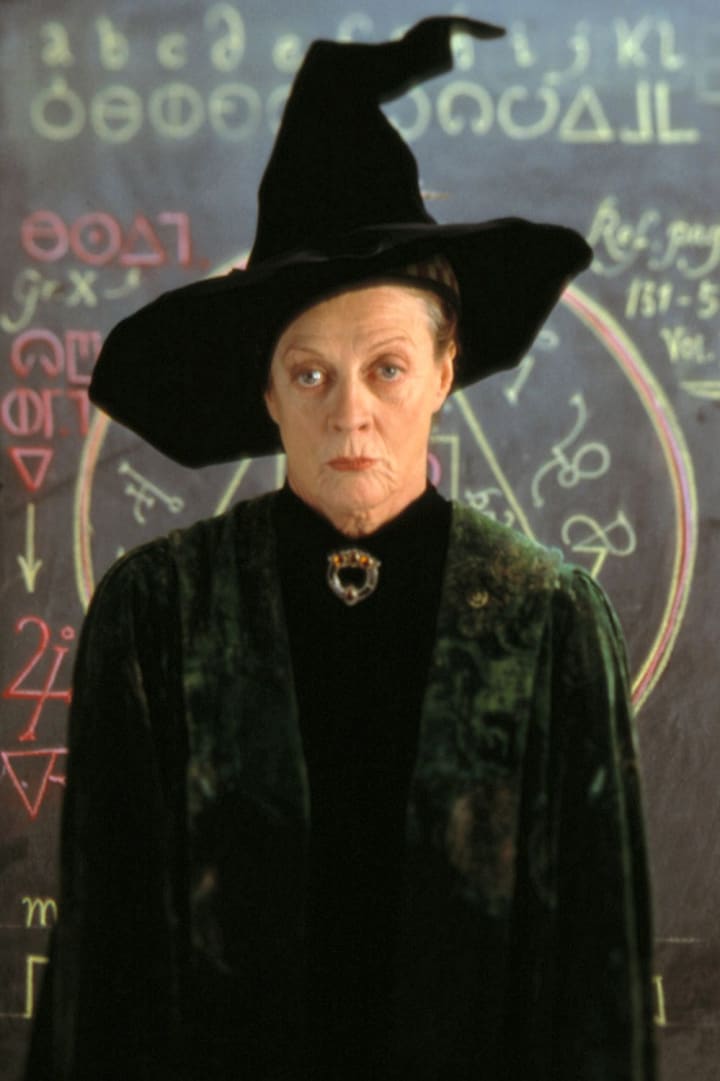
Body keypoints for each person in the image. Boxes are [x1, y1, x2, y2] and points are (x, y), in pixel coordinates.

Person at [26, 17, 656, 1081]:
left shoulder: (546, 620)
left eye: (387, 368)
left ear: (445, 369)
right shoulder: (158, 615)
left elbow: (596, 982)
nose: (349, 412)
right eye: (310, 372)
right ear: (268, 391)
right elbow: (108, 973)